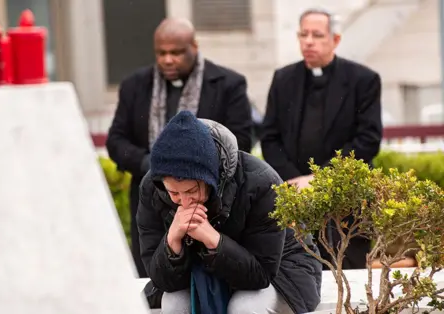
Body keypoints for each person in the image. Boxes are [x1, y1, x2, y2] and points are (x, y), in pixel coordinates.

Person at [106, 18, 253, 277]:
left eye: (176, 52)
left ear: (194, 46)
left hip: (208, 201)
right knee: (154, 275)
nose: (167, 59)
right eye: (161, 53)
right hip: (150, 198)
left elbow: (240, 141)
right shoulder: (134, 85)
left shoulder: (229, 84)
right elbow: (116, 140)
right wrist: (155, 168)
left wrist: (197, 169)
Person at [137, 110, 322, 314]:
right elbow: (161, 279)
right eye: (174, 193)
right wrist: (172, 243)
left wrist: (214, 241)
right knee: (174, 305)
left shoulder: (261, 182)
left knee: (244, 308)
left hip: (281, 273)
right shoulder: (152, 188)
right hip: (199, 272)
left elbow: (260, 274)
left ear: (210, 179)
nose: (185, 201)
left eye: (191, 191)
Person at [260, 7, 382, 270]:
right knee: (297, 268)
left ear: (335, 40)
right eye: (303, 34)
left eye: (317, 35)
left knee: (347, 271)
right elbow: (269, 136)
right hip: (295, 196)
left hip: (346, 201)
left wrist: (320, 179)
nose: (309, 41)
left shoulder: (363, 80)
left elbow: (368, 140)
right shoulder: (283, 79)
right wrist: (294, 182)